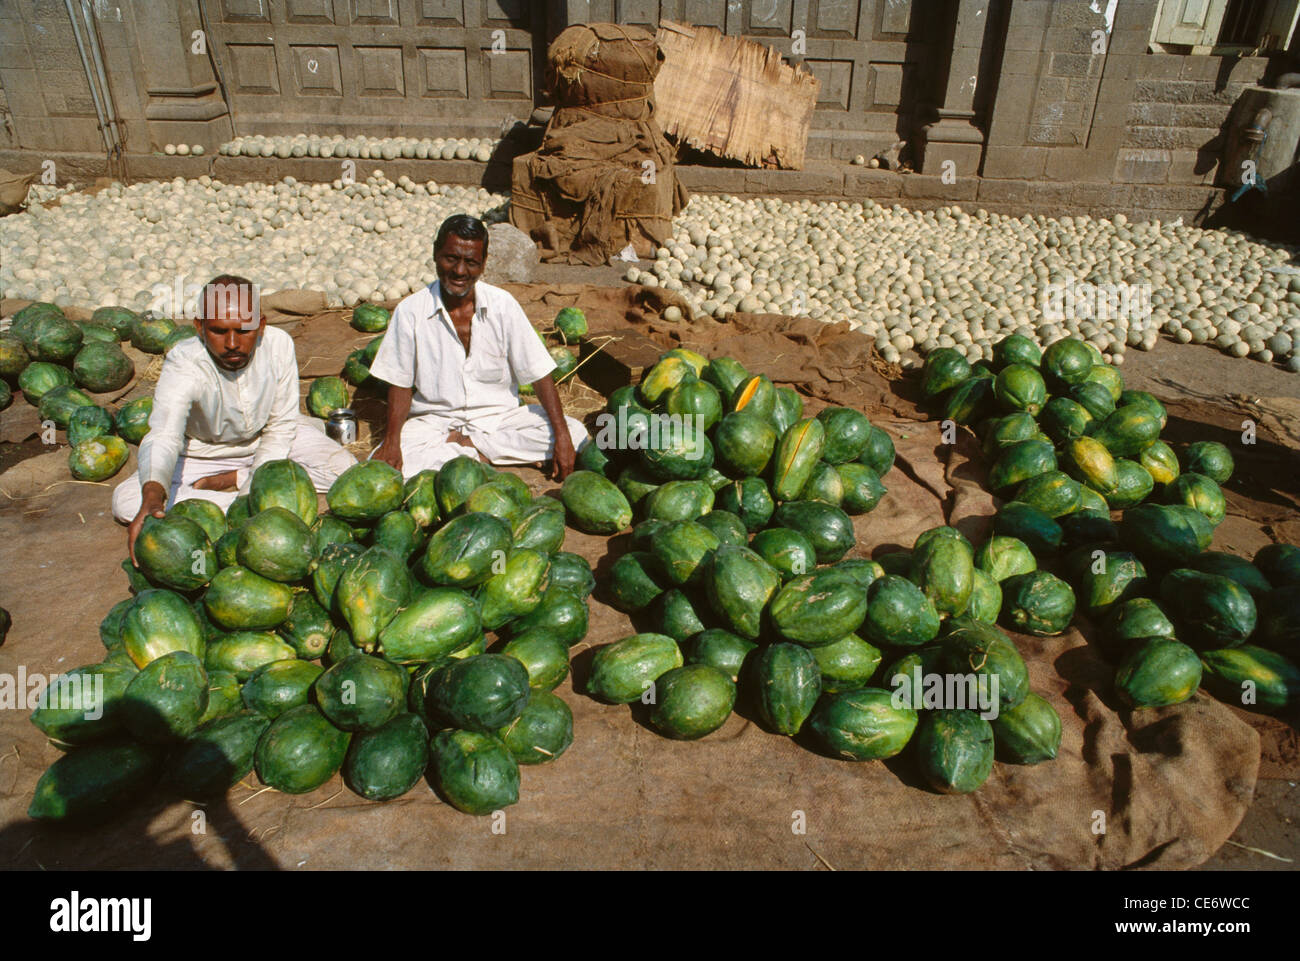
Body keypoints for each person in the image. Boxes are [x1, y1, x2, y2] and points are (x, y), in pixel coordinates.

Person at [114, 274, 356, 561]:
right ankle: (242, 506)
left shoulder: (279, 346)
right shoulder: (184, 361)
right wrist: (153, 496)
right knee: (127, 502)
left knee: (345, 472)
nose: (231, 343)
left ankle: (234, 481)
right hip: (201, 451)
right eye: (218, 331)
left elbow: (280, 427)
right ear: (199, 328)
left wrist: (252, 482)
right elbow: (164, 433)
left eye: (244, 331)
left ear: (261, 326)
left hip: (268, 439)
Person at [369, 214, 587, 479]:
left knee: (575, 432)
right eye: (451, 258)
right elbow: (400, 383)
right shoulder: (410, 311)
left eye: (471, 262)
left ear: (483, 264)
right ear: (436, 254)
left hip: (499, 420)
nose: (460, 271)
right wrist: (392, 442)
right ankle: (489, 457)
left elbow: (539, 374)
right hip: (436, 424)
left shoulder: (503, 305)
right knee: (381, 466)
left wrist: (562, 436)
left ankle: (468, 450)